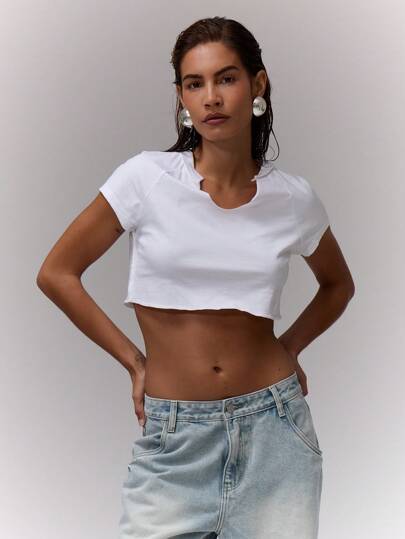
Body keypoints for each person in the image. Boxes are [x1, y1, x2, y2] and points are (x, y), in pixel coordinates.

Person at [36, 16, 355, 539]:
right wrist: (134, 362)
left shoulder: (293, 198)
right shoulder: (146, 179)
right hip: (174, 438)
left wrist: (291, 347)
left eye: (226, 78)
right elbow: (57, 273)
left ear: (257, 84)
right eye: (194, 83)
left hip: (275, 432)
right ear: (181, 96)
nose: (211, 97)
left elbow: (338, 285)